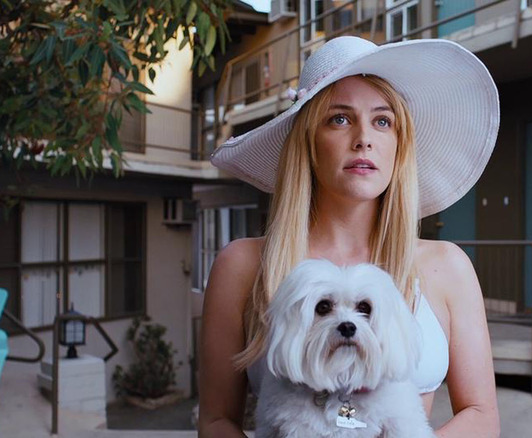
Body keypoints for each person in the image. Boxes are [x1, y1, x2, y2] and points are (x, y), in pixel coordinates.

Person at [199, 36, 500, 437]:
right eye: (339, 118)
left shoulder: (448, 267)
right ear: (307, 141)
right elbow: (217, 421)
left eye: (382, 121)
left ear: (399, 145)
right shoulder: (243, 266)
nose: (364, 138)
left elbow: (482, 415)